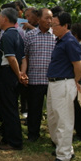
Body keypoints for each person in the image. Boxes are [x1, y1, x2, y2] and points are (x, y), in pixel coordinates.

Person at [47, 12, 81, 161]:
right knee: (53, 118)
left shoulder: (69, 41)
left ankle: (64, 156)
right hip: (55, 83)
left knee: (64, 120)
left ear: (65, 26)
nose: (52, 28)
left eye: (55, 25)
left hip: (64, 83)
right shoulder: (60, 40)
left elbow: (79, 66)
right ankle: (63, 147)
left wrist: (75, 81)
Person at [20, 8, 55, 142]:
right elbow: (26, 57)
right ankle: (33, 135)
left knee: (53, 110)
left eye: (51, 18)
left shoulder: (55, 36)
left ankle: (54, 136)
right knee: (34, 109)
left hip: (52, 80)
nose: (49, 21)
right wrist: (24, 73)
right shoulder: (30, 35)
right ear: (39, 19)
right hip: (35, 79)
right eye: (47, 18)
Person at [0, 8, 25, 151]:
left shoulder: (7, 36)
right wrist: (21, 73)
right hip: (11, 74)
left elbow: (11, 58)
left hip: (6, 74)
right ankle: (8, 137)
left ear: (5, 19)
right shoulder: (18, 34)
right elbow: (23, 58)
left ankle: (14, 141)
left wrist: (18, 73)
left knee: (9, 108)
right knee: (9, 107)